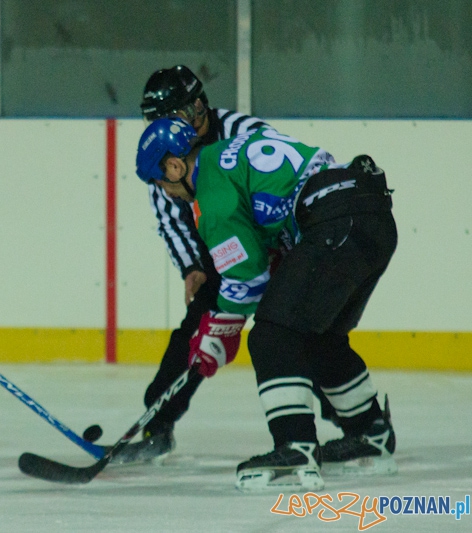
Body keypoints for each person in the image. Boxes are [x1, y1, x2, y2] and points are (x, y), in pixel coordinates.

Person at [135, 118, 397, 491]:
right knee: (320, 339)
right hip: (373, 218)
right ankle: (370, 436)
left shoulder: (212, 195)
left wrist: (218, 329)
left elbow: (246, 277)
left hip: (334, 223)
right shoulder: (233, 151)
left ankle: (295, 448)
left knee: (272, 336)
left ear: (175, 166)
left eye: (161, 182)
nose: (167, 192)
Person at [116, 65, 333, 465]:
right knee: (197, 329)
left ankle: (346, 417)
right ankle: (157, 425)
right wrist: (192, 267)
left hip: (274, 238)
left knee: (300, 329)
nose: (183, 120)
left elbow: (280, 174)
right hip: (224, 245)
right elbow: (169, 213)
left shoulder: (240, 130)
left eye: (186, 110)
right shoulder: (166, 155)